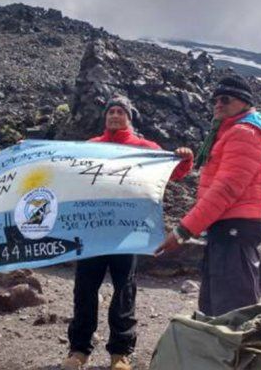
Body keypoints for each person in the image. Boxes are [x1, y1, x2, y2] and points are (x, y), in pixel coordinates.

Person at [63, 95, 193, 370]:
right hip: (93, 231)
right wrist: (28, 154)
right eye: (110, 111)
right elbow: (60, 166)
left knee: (125, 290)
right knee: (84, 289)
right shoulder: (91, 147)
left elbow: (172, 172)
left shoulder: (145, 149)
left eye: (120, 111)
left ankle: (120, 353)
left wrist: (184, 158)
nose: (114, 115)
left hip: (127, 233)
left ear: (129, 118)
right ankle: (79, 350)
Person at [155, 74, 261, 316]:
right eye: (215, 100)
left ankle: (233, 342)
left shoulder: (244, 133)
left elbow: (225, 190)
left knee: (231, 311)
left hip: (235, 227)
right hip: (230, 227)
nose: (218, 104)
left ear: (244, 102)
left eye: (225, 99)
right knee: (218, 305)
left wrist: (182, 231)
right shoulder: (235, 131)